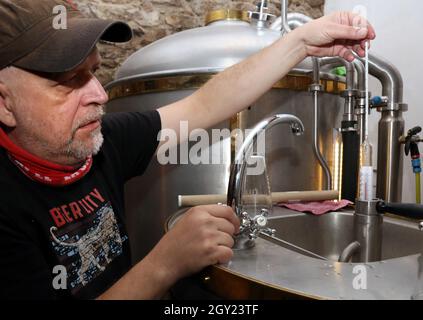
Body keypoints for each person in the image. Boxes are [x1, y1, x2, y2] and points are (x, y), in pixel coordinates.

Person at [0, 0, 375, 300]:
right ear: (4, 103)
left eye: (95, 72)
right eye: (69, 82)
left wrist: (301, 42)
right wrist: (166, 262)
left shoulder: (103, 141)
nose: (99, 95)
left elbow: (204, 104)